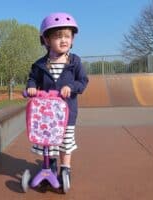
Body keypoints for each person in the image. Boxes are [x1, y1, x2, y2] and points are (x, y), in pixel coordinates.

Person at [26, 12, 88, 182]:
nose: (64, 40)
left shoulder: (74, 62)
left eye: (67, 36)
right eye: (58, 36)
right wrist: (31, 87)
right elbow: (32, 79)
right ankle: (51, 165)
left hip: (67, 112)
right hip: (46, 113)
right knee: (49, 141)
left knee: (65, 141)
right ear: (46, 40)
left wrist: (71, 87)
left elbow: (83, 81)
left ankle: (66, 168)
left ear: (72, 39)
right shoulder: (40, 64)